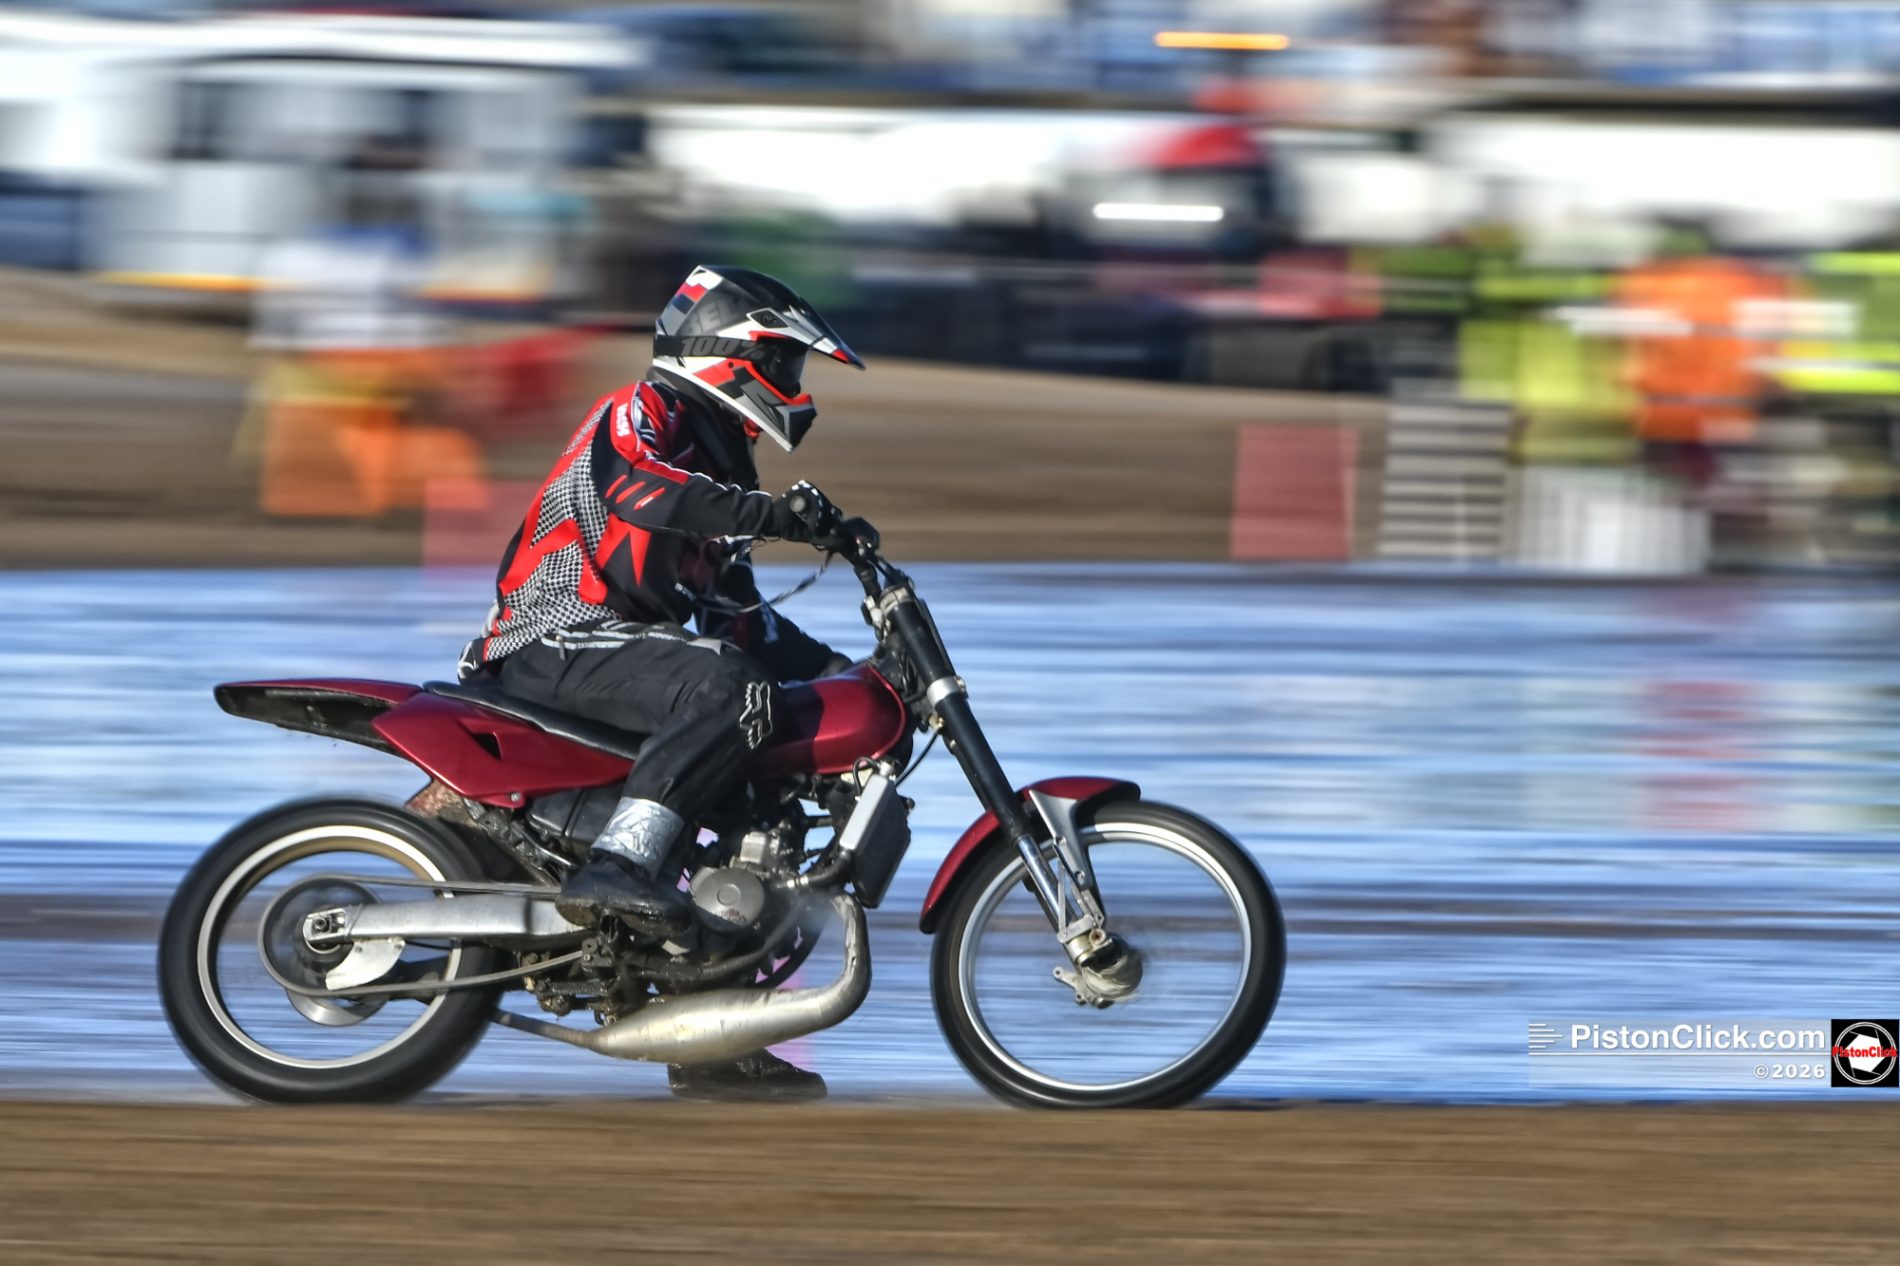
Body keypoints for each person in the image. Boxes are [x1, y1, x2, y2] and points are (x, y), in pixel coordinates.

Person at [458, 264, 865, 1100]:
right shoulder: (639, 414)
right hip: (551, 634)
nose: (793, 386)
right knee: (729, 690)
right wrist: (778, 517)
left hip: (617, 649)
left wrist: (850, 676)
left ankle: (707, 1028)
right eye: (783, 364)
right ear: (726, 356)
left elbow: (740, 622)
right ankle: (618, 867)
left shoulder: (724, 472)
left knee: (765, 789)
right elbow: (641, 492)